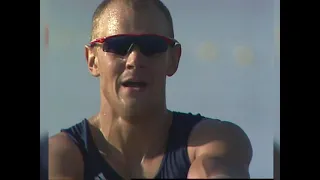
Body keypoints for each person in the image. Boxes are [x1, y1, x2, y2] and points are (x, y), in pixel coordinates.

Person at [48, 0, 253, 179]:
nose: (135, 60)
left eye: (152, 46)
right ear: (92, 60)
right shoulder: (60, 155)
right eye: (118, 46)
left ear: (173, 59)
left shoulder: (214, 142)